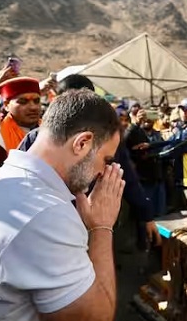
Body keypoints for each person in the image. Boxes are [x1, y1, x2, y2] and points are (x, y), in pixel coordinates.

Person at [0, 90, 125, 321]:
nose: (103, 173)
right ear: (82, 143)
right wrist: (102, 228)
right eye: (106, 160)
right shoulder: (44, 212)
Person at [18, 75, 161, 246]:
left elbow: (126, 179)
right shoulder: (35, 140)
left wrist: (146, 215)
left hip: (88, 228)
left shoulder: (106, 140)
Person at [0, 77, 41, 182]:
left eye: (36, 101)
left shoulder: (52, 135)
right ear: (6, 105)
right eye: (23, 102)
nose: (33, 107)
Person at [145, 98, 187, 209]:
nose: (183, 113)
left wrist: (154, 156)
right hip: (178, 176)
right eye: (182, 110)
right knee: (177, 211)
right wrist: (151, 146)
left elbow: (175, 148)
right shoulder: (182, 127)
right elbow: (170, 141)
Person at [125, 110, 166, 217]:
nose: (147, 120)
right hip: (143, 177)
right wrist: (135, 124)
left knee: (160, 211)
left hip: (158, 175)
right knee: (147, 212)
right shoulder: (135, 131)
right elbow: (125, 142)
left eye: (150, 116)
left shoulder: (157, 134)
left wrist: (151, 147)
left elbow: (164, 148)